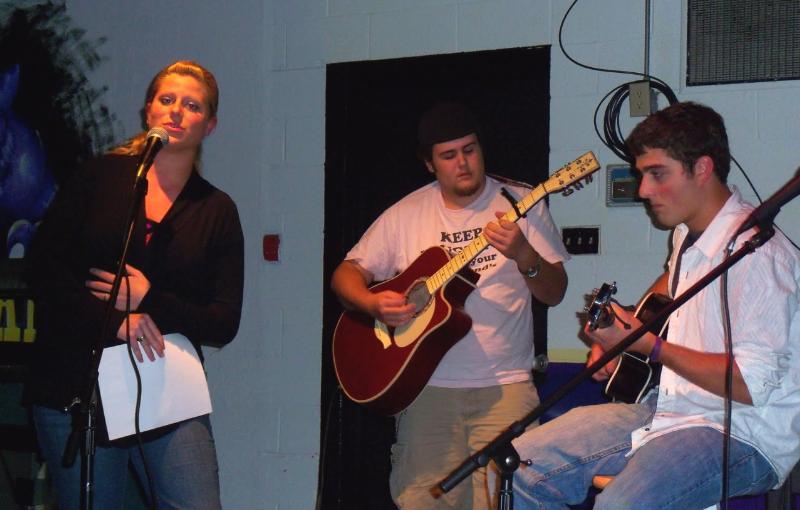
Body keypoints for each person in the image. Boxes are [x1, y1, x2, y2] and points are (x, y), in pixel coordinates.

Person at [511, 101, 800, 510]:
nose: (643, 190)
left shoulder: (759, 256)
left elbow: (750, 387)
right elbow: (672, 285)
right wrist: (620, 333)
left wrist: (649, 346)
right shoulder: (688, 233)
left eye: (656, 174)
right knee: (524, 464)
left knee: (620, 505)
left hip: (742, 432)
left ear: (701, 168)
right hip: (666, 409)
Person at [24, 60, 244, 510]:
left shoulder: (215, 209)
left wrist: (152, 299)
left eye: (192, 105)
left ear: (211, 125)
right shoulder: (99, 178)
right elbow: (44, 269)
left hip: (166, 388)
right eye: (167, 100)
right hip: (75, 382)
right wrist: (118, 321)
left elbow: (224, 321)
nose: (177, 111)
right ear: (148, 111)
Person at [331, 102, 569, 509]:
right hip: (425, 393)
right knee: (422, 500)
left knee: (506, 501)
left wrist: (524, 254)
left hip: (505, 389)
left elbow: (555, 292)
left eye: (470, 150)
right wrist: (372, 303)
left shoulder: (523, 203)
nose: (463, 163)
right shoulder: (406, 214)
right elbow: (345, 274)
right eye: (449, 155)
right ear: (429, 164)